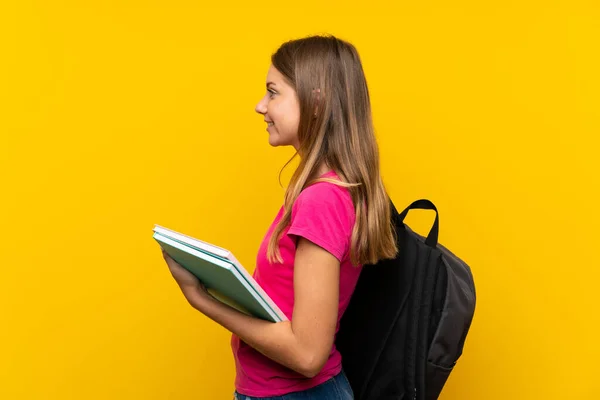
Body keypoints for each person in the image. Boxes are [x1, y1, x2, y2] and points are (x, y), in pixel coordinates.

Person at [161, 34, 398, 399]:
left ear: (315, 100)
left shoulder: (322, 200)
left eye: (273, 92)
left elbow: (307, 355)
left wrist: (202, 298)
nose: (261, 106)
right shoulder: (326, 191)